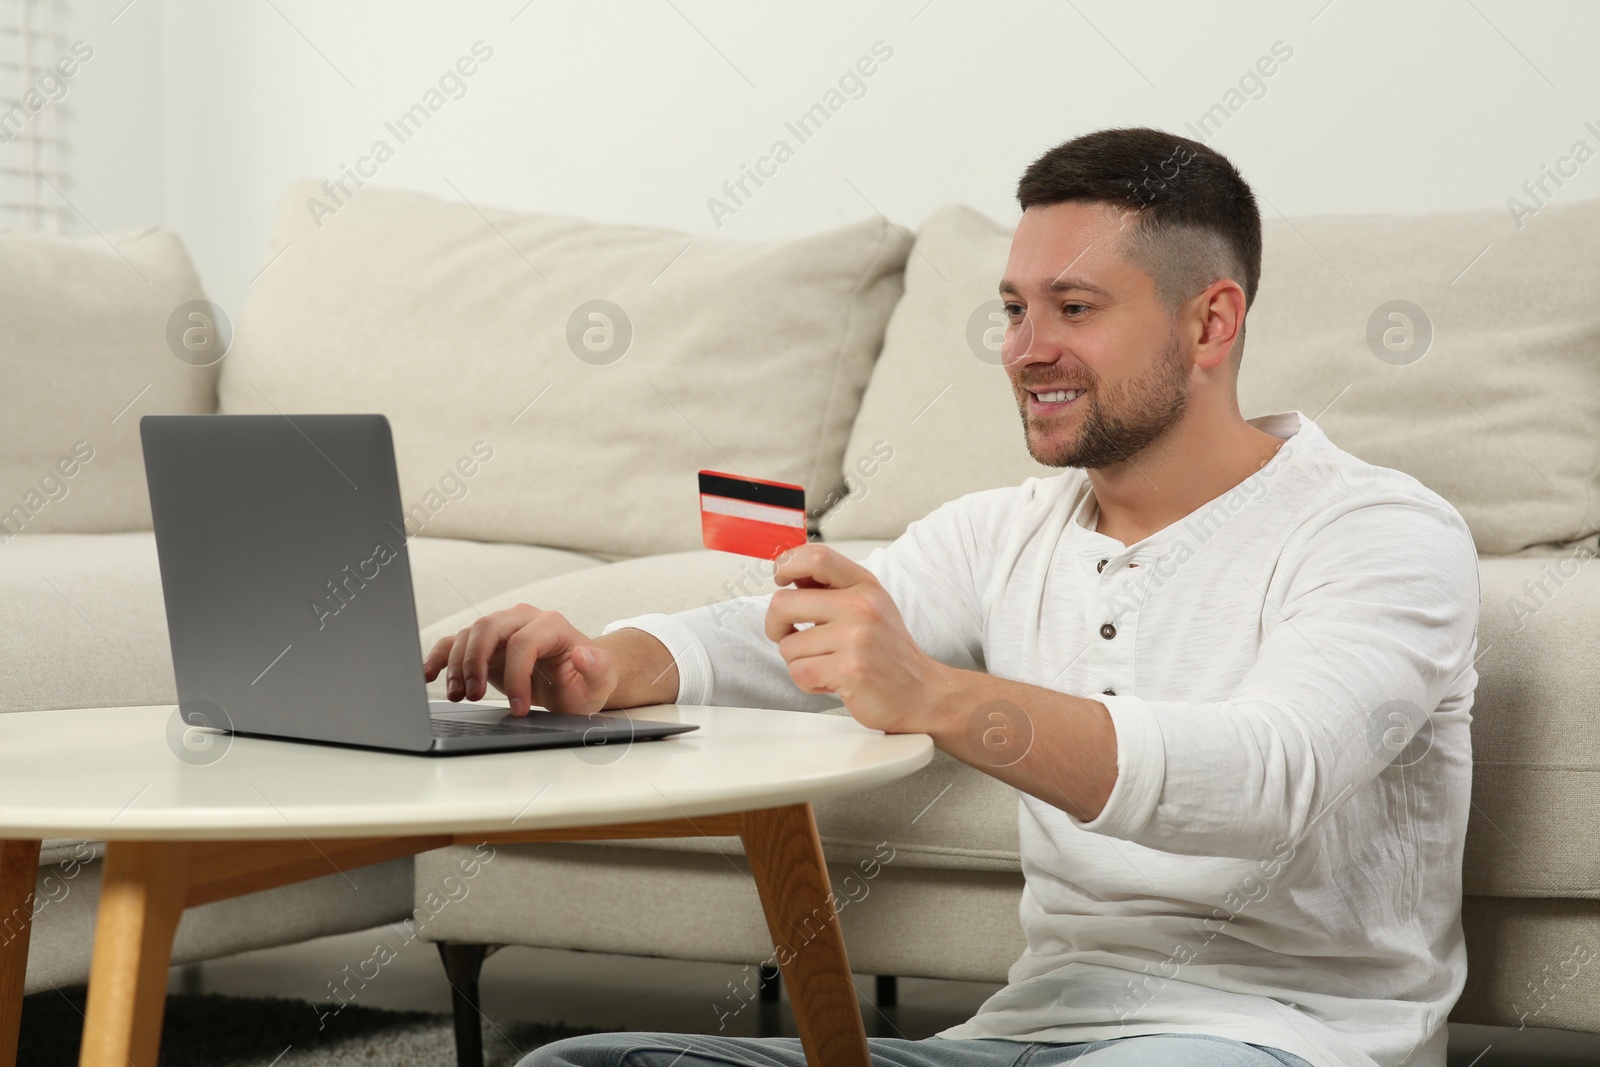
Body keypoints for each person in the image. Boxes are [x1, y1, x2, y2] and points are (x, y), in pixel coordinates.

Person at [423, 126, 1479, 1067]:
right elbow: (797, 628)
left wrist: (933, 693)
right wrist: (610, 662)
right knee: (579, 1063)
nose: (1025, 349)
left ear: (1210, 325)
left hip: (1275, 1035)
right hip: (1021, 1033)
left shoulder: (1379, 533)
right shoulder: (1003, 529)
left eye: (1074, 307)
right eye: (1014, 310)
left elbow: (1267, 777)